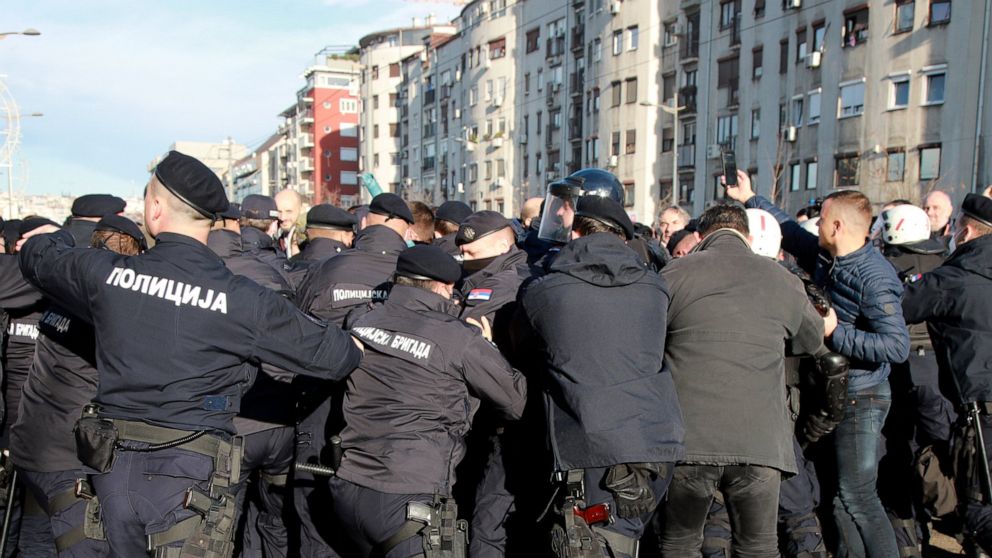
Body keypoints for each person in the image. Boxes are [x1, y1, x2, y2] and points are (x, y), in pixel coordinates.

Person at [16, 150, 363, 556]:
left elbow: (36, 257)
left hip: (111, 470)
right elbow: (335, 356)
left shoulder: (108, 275)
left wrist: (61, 233)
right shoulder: (241, 299)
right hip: (188, 477)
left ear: (155, 208)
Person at [728, 170, 910, 558]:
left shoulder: (874, 276)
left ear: (839, 225)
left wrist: (835, 332)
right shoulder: (829, 258)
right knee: (837, 497)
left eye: (823, 219)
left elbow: (896, 346)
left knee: (858, 496)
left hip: (864, 397)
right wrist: (750, 198)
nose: (818, 225)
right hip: (836, 393)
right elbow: (792, 233)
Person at [329, 244, 527, 557]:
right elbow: (515, 401)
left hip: (348, 487)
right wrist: (490, 346)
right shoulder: (459, 338)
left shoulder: (361, 320)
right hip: (410, 495)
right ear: (445, 287)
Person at [516, 195, 684, 558]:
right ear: (623, 237)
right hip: (653, 442)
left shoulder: (546, 290)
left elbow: (521, 345)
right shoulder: (654, 287)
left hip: (591, 445)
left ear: (575, 232)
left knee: (593, 544)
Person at [658, 203, 827, 558]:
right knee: (758, 546)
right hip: (761, 440)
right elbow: (811, 342)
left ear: (700, 236)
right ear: (748, 237)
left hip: (689, 440)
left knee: (680, 543)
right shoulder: (782, 278)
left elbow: (650, 341)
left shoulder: (674, 273)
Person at [12, 214, 146, 558]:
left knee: (37, 543)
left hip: (32, 445)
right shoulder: (107, 306)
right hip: (68, 459)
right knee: (84, 547)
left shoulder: (65, 291)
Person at [292, 192, 412, 556]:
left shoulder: (330, 268)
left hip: (318, 402)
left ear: (365, 224)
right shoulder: (413, 272)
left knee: (314, 511)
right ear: (402, 228)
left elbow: (297, 330)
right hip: (385, 413)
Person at [902, 193, 992, 554]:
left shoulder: (956, 277)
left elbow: (902, 305)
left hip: (981, 415)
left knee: (979, 510)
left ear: (967, 231)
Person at [450, 211, 529, 557]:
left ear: (501, 245)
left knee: (488, 520)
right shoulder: (478, 279)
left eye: (471, 254)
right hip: (486, 415)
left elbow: (460, 337)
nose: (464, 260)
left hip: (500, 418)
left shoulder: (504, 283)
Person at [290, 204, 356, 264]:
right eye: (352, 236)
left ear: (307, 232)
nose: (353, 239)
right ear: (344, 235)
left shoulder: (289, 265)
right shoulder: (354, 265)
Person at [274, 189, 304, 258]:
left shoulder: (310, 243)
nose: (283, 218)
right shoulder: (274, 245)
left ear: (301, 210)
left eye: (289, 211)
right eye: (279, 212)